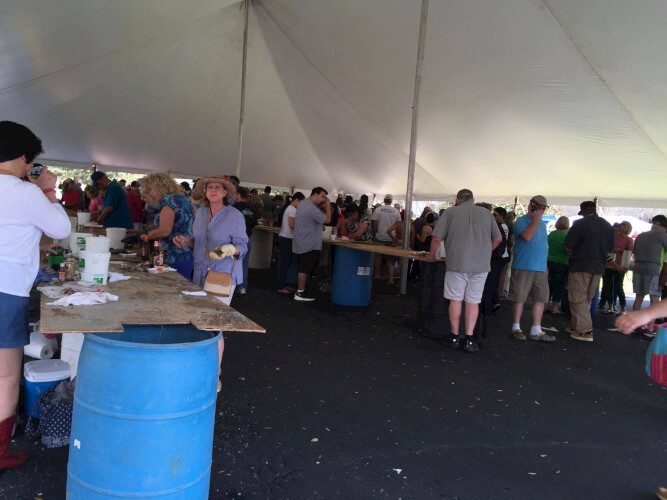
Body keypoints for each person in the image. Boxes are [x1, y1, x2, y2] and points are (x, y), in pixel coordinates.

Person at [0, 121, 71, 470]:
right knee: (6, 375)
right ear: (25, 157)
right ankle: (1, 451)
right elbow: (61, 228)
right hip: (6, 289)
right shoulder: (23, 191)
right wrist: (47, 190)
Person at [173, 176, 247, 393]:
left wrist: (230, 249)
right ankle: (200, 367)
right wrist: (186, 241)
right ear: (204, 192)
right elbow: (197, 243)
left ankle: (215, 374)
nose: (213, 190)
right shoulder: (201, 213)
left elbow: (243, 246)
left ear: (225, 193)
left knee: (213, 324)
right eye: (209, 187)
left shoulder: (234, 216)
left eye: (217, 187)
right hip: (200, 273)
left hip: (221, 276)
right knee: (200, 320)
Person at [428, 189, 502, 353]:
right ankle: (469, 339)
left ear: (458, 200)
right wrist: (485, 253)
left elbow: (437, 238)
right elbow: (498, 238)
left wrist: (430, 256)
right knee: (473, 301)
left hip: (457, 264)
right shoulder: (486, 213)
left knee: (455, 299)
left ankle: (454, 337)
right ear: (473, 199)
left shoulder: (450, 212)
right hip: (481, 266)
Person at [565, 200, 614, 342]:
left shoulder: (580, 224)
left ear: (584, 211)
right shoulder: (607, 225)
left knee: (577, 297)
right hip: (598, 267)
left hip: (580, 265)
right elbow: (611, 248)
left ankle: (585, 330)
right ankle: (576, 326)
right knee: (586, 298)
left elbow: (569, 244)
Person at [509, 196, 554, 343]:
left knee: (541, 298)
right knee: (519, 298)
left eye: (543, 208)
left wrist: (545, 266)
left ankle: (536, 330)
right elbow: (527, 237)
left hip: (540, 267)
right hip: (523, 266)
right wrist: (535, 219)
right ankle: (516, 328)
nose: (541, 211)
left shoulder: (541, 224)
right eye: (539, 207)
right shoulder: (521, 221)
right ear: (531, 206)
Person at [140, 173, 195, 279]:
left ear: (157, 188)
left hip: (175, 254)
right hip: (186, 252)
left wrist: (146, 236)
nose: (148, 195)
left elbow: (164, 231)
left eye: (149, 191)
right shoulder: (182, 199)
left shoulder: (168, 202)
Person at [292, 187, 332, 301]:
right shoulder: (311, 207)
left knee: (303, 268)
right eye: (322, 197)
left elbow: (308, 220)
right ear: (315, 195)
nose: (323, 199)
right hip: (308, 243)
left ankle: (301, 291)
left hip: (303, 241)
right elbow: (328, 220)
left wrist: (318, 225)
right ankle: (300, 293)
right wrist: (328, 205)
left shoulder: (304, 204)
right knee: (304, 269)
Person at [630, 215, 667, 336]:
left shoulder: (640, 235)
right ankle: (650, 330)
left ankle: (635, 326)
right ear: (662, 226)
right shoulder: (662, 235)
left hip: (638, 267)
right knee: (654, 300)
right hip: (653, 269)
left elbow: (634, 252)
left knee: (638, 298)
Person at [599, 221, 634, 314]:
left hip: (620, 265)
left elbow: (629, 252)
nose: (621, 227)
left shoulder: (629, 240)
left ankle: (623, 308)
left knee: (618, 287)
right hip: (608, 264)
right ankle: (610, 306)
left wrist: (621, 251)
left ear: (628, 228)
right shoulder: (611, 237)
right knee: (607, 286)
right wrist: (613, 249)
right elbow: (605, 248)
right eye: (621, 225)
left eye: (624, 225)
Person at [232, 187, 258, 295]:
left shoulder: (232, 208)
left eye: (235, 194)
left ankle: (230, 286)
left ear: (238, 195)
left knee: (230, 264)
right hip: (247, 240)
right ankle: (242, 287)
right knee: (244, 264)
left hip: (233, 241)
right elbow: (255, 223)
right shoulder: (252, 209)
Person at [277, 192, 304, 293]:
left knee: (285, 262)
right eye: (301, 203)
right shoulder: (292, 209)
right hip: (287, 238)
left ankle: (283, 285)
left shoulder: (290, 208)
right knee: (285, 262)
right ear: (296, 200)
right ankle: (281, 286)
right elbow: (292, 225)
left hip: (286, 237)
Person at [371, 194, 402, 284]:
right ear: (391, 201)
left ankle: (377, 275)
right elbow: (399, 225)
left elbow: (375, 224)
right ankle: (390, 278)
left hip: (379, 236)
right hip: (391, 238)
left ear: (384, 200)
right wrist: (396, 238)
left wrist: (376, 233)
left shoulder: (378, 209)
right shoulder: (396, 211)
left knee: (378, 257)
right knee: (390, 259)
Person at [546, 216, 570, 315]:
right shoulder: (567, 234)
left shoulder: (552, 234)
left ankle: (545, 305)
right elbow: (567, 250)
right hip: (563, 262)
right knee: (559, 285)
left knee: (549, 284)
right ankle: (555, 308)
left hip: (550, 261)